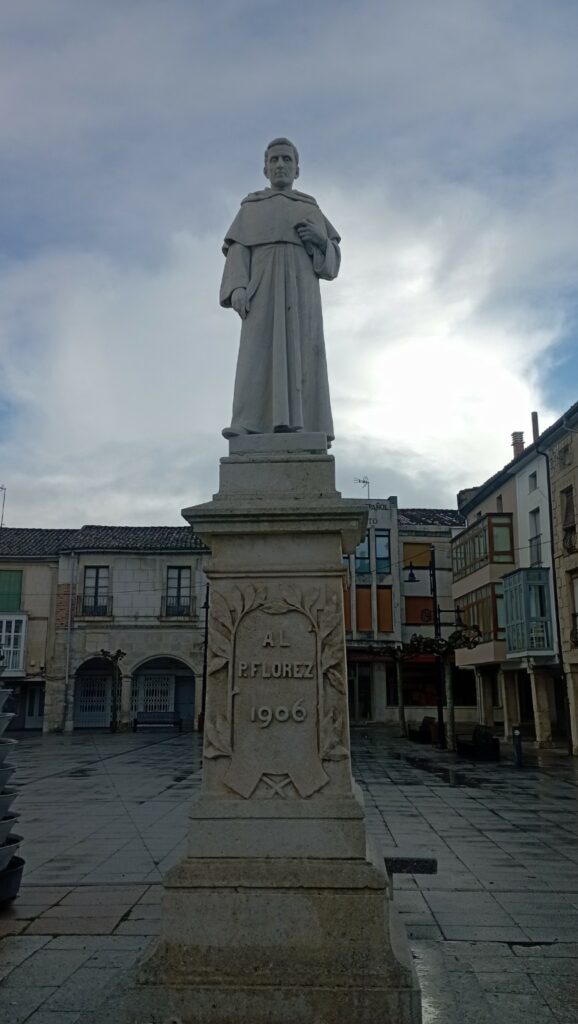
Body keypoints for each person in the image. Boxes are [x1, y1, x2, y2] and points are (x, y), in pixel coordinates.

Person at [220, 138, 340, 444]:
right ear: (265, 168)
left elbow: (331, 264)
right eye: (274, 160)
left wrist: (320, 240)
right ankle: (247, 422)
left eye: (286, 159)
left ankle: (307, 424)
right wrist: (237, 286)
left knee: (303, 355)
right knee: (256, 354)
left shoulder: (309, 207)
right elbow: (237, 249)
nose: (280, 165)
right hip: (261, 290)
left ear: (297, 169)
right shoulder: (251, 206)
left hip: (302, 294)